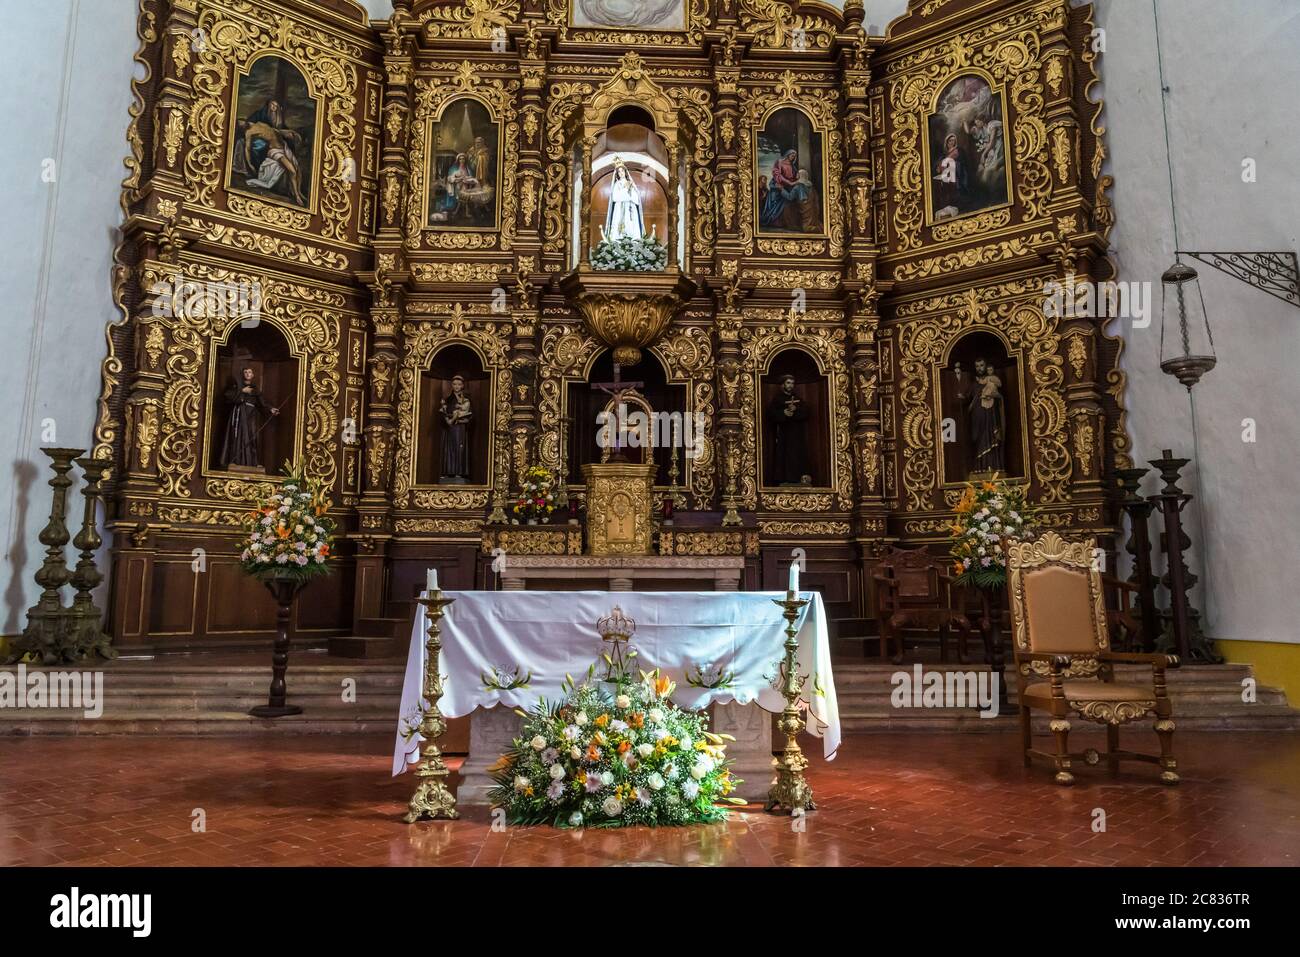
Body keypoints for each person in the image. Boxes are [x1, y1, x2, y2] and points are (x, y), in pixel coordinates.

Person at [240, 99, 306, 206]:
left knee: (297, 169)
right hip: (275, 151)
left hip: (283, 148)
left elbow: (275, 131)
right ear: (242, 127)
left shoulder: (260, 123)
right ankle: (297, 196)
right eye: (241, 124)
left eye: (242, 121)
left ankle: (298, 192)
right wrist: (250, 164)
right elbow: (247, 149)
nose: (243, 123)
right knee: (292, 171)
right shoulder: (249, 133)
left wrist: (290, 132)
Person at [220, 366, 279, 469]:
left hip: (250, 415)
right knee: (237, 436)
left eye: (249, 372)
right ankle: (234, 461)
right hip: (239, 414)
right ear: (243, 374)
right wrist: (242, 391)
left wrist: (271, 409)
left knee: (252, 437)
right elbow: (228, 396)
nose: (247, 374)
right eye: (245, 372)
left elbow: (262, 403)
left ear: (252, 375)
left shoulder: (255, 389)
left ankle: (253, 463)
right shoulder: (236, 386)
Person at [954, 358, 1005, 474]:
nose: (979, 368)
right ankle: (980, 467)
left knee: (991, 437)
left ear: (986, 366)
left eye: (982, 365)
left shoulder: (992, 381)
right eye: (977, 366)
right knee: (977, 438)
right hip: (977, 416)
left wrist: (996, 396)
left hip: (991, 415)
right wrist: (963, 397)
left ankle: (994, 467)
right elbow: (969, 397)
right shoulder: (974, 384)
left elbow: (999, 397)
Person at [768, 374, 811, 486]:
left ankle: (797, 478)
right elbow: (770, 415)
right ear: (782, 385)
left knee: (796, 455)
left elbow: (806, 412)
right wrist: (783, 413)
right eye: (788, 383)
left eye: (792, 383)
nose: (790, 385)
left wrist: (796, 410)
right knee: (784, 455)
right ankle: (784, 479)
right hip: (783, 434)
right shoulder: (777, 399)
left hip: (796, 434)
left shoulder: (797, 399)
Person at [440, 375, 473, 483]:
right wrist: (447, 420)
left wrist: (464, 420)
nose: (456, 386)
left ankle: (460, 472)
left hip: (460, 428)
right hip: (450, 428)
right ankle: (448, 472)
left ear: (462, 385)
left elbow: (471, 415)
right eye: (454, 384)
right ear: (451, 385)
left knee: (460, 449)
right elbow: (443, 413)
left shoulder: (466, 399)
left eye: (459, 384)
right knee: (449, 449)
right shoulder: (448, 399)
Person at [604, 156, 645, 242]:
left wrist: (628, 193)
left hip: (630, 209)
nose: (621, 173)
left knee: (630, 225)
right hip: (619, 209)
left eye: (622, 171)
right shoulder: (617, 184)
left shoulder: (631, 183)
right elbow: (615, 198)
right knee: (618, 226)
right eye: (619, 172)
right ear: (617, 174)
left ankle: (634, 244)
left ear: (625, 172)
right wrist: (626, 192)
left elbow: (636, 199)